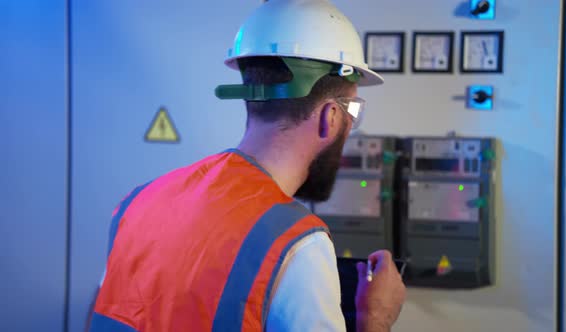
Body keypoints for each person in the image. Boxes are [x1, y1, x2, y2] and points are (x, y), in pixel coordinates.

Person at [89, 0, 405, 331]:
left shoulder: (138, 202)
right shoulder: (298, 245)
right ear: (331, 116)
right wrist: (376, 318)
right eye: (353, 112)